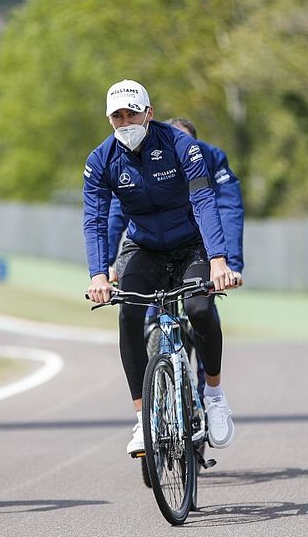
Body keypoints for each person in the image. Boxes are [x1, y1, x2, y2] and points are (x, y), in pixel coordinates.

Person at [84, 79, 241, 457]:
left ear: (148, 113)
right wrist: (98, 274)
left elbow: (205, 199)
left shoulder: (180, 145)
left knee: (200, 308)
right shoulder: (99, 160)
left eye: (132, 114)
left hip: (191, 246)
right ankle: (142, 420)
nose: (125, 122)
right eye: (117, 116)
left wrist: (219, 260)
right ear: (109, 119)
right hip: (145, 248)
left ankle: (215, 398)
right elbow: (95, 218)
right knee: (128, 316)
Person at [106, 116, 245, 395]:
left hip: (198, 243)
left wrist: (229, 262)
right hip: (154, 245)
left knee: (201, 308)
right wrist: (108, 262)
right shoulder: (139, 158)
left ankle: (210, 394)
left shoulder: (211, 158)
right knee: (141, 305)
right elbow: (119, 210)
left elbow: (227, 209)